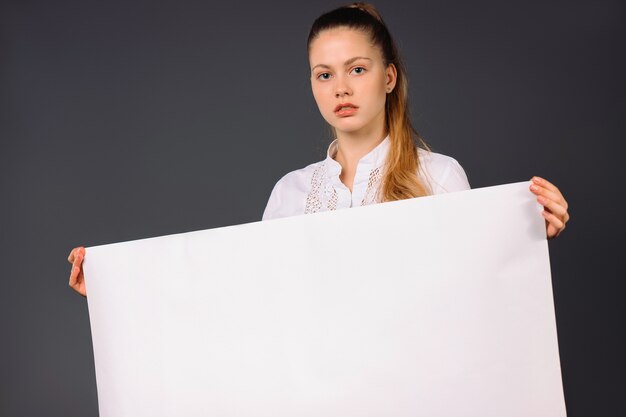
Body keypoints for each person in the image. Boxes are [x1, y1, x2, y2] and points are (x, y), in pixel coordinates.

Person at [68, 3, 569, 297]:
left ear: (389, 77)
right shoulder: (291, 192)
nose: (341, 88)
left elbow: (473, 288)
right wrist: (119, 289)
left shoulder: (438, 176)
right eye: (324, 74)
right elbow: (243, 293)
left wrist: (524, 233)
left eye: (357, 69)